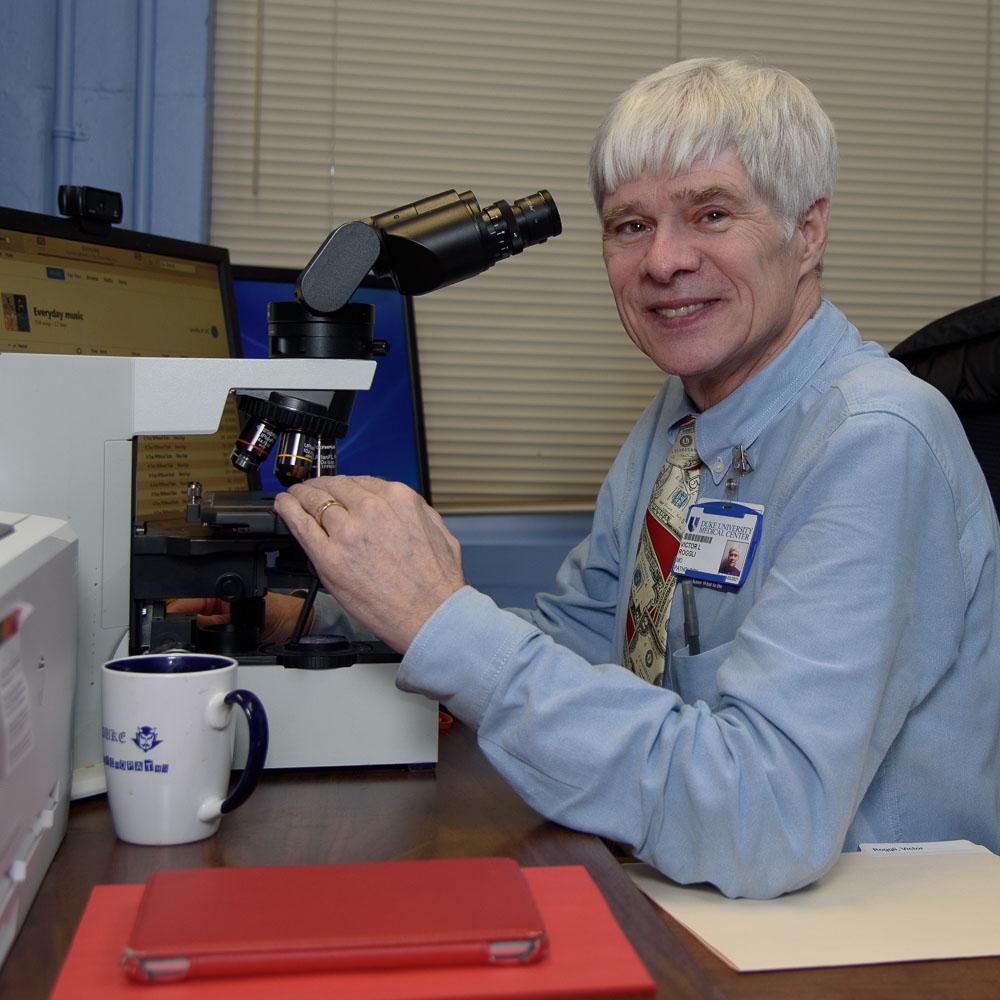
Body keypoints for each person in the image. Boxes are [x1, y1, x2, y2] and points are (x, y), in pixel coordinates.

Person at [201, 58, 1000, 898]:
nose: (663, 262)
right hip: (697, 886)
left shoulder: (875, 441)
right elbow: (588, 650)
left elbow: (765, 813)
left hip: (864, 933)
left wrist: (443, 620)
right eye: (629, 226)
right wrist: (358, 607)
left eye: (711, 213)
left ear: (808, 231)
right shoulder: (682, 422)